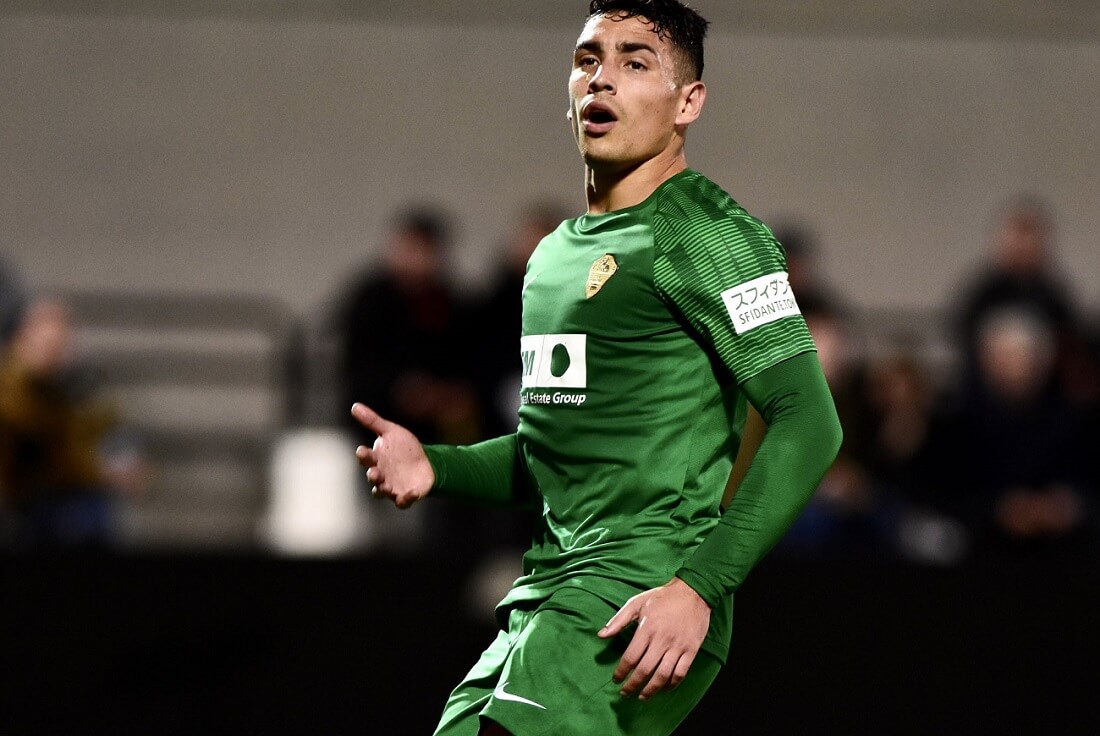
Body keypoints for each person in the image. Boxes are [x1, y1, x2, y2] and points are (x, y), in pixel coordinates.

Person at [351, 2, 842, 734]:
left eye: (634, 62)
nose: (601, 80)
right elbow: (556, 460)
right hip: (545, 593)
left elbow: (810, 423)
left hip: (642, 594)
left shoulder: (709, 233)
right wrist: (439, 468)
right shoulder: (552, 257)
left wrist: (700, 588)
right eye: (588, 60)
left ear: (688, 102)